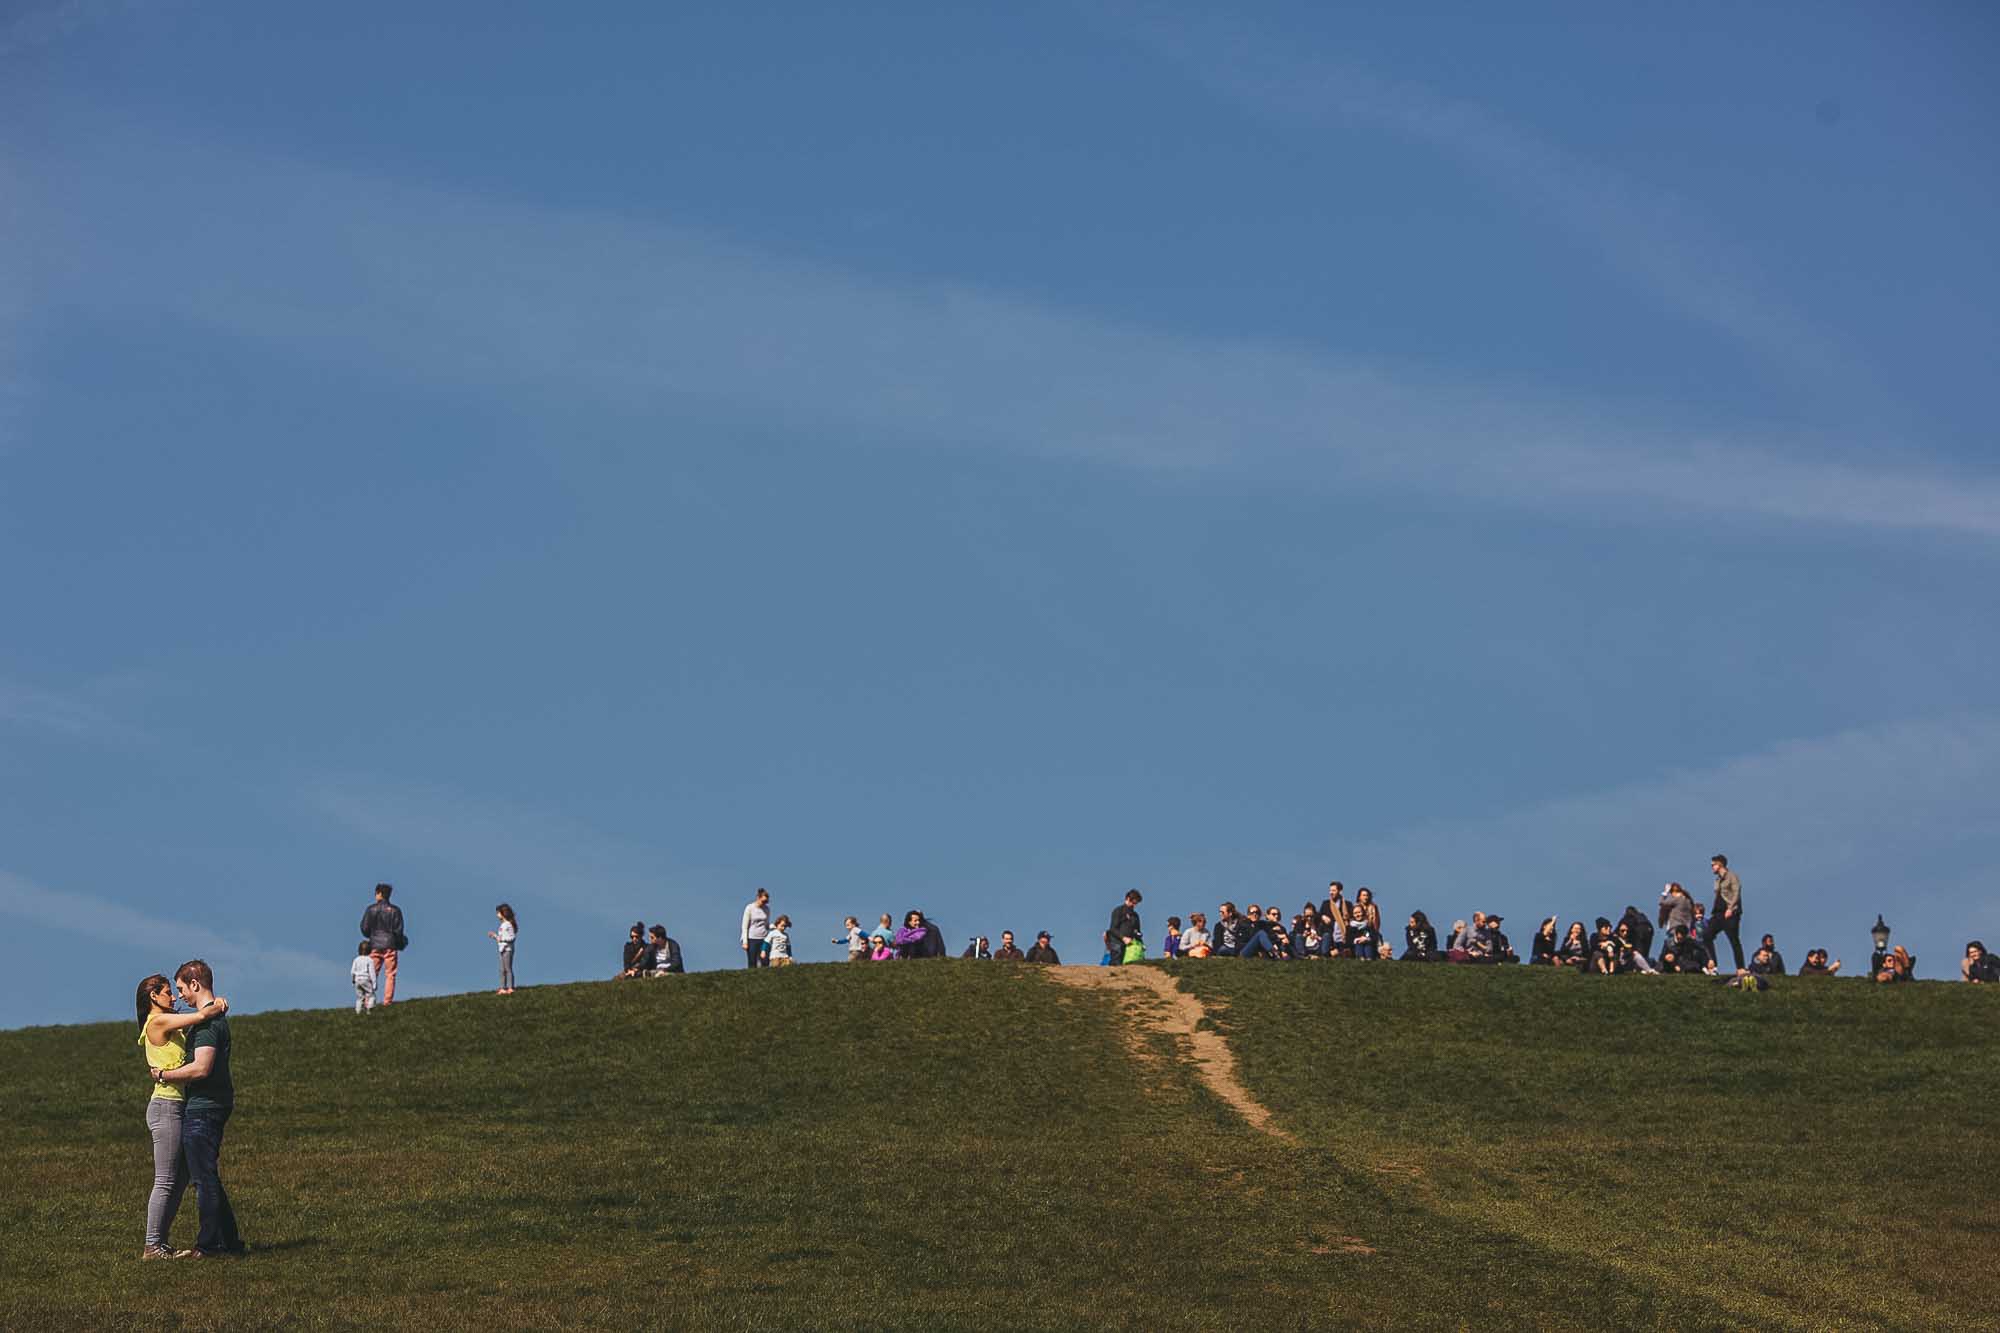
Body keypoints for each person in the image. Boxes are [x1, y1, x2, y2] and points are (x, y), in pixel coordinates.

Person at [150, 960, 244, 1259]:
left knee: (203, 1178)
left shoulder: (206, 1025)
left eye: (181, 989)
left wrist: (163, 1075)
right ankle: (229, 1242)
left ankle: (210, 1246)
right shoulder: (208, 1019)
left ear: (194, 984)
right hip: (209, 1104)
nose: (181, 997)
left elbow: (201, 1068)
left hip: (204, 1108)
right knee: (206, 1175)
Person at [135, 974, 227, 1259]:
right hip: (166, 1106)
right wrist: (217, 1005)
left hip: (177, 1106)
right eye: (167, 993)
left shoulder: (167, 1020)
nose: (174, 997)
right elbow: (201, 1015)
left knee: (180, 1176)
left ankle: (160, 1243)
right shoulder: (157, 1022)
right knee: (165, 1179)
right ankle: (152, 1245)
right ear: (154, 997)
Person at [360, 882, 405, 1006]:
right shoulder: (395, 910)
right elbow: (398, 931)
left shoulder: (371, 909)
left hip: (374, 945)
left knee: (371, 973)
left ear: (379, 894)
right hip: (390, 945)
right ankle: (387, 1001)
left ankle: (366, 1001)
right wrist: (399, 943)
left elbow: (364, 928)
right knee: (390, 974)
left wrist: (372, 936)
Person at [1704, 855, 1745, 972]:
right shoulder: (1717, 880)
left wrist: (1731, 908)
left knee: (1734, 939)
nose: (1712, 867)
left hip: (1730, 913)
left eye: (1713, 865)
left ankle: (1741, 967)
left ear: (1719, 864)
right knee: (1707, 935)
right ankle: (1713, 963)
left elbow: (1736, 892)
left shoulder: (1732, 876)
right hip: (1718, 914)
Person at [1104, 889, 1143, 967]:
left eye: (1136, 903)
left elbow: (1138, 931)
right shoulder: (1118, 911)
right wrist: (1123, 938)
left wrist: (1140, 941)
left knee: (1128, 966)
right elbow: (1113, 928)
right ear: (1128, 899)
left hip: (1130, 946)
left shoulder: (1135, 916)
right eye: (1133, 902)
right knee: (1116, 964)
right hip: (1116, 943)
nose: (1134, 905)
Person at [488, 903, 518, 995]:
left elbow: (512, 937)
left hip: (508, 949)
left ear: (503, 913)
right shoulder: (502, 925)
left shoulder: (508, 925)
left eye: (498, 913)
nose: (497, 915)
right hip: (501, 950)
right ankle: (502, 988)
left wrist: (502, 939)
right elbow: (500, 939)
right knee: (502, 969)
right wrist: (495, 936)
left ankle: (510, 987)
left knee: (508, 968)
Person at [740, 888, 772, 969]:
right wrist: (745, 942)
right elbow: (745, 926)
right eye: (763, 901)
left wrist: (774, 926)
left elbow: (766, 924)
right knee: (752, 961)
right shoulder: (750, 908)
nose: (764, 903)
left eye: (766, 902)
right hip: (752, 939)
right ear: (758, 897)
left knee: (765, 961)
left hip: (764, 938)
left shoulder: (767, 909)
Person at [1350, 888, 1383, 959]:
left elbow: (1377, 920)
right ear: (1359, 897)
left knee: (1370, 945)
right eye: (1364, 895)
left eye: (1367, 895)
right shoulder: (1355, 906)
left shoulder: (1373, 907)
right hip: (1357, 933)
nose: (1366, 897)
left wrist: (1372, 934)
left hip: (1370, 931)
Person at [349, 943, 376, 1013]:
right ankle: (369, 1008)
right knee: (371, 995)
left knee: (360, 998)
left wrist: (353, 980)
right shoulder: (370, 960)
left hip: (357, 980)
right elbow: (372, 973)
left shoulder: (356, 959)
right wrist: (374, 984)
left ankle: (358, 1011)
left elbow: (352, 972)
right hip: (365, 979)